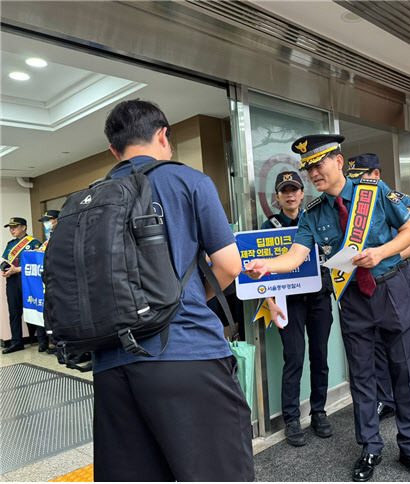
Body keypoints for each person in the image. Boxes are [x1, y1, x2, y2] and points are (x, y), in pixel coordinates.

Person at [245, 135, 410, 482]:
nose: (313, 173)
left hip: (391, 287)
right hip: (351, 298)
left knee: (404, 370)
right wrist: (266, 265)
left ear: (338, 161)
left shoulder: (374, 192)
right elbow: (296, 255)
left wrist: (380, 252)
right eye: (308, 168)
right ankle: (370, 448)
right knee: (362, 376)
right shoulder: (313, 213)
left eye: (318, 164)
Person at [93, 99, 254, 481]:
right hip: (186, 353)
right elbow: (230, 265)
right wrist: (188, 298)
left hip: (111, 366)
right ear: (163, 136)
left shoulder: (92, 197)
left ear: (114, 151)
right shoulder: (188, 180)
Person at [346, 153, 410, 429]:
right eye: (353, 177)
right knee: (379, 350)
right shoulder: (351, 207)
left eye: (362, 175)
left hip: (398, 275)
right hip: (366, 281)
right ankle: (387, 399)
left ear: (376, 175)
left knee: (408, 348)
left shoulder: (398, 200)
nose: (357, 181)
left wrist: (385, 257)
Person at [260, 170, 334, 447]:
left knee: (320, 357)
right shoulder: (268, 227)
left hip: (318, 298)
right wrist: (269, 301)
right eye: (284, 191)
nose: (290, 195)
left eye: (295, 189)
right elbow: (262, 273)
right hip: (286, 302)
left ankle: (319, 412)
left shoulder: (316, 219)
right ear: (278, 197)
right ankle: (292, 418)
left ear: (303, 194)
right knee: (294, 359)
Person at [2, 217, 41, 354]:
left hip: (28, 280)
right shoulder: (10, 244)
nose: (12, 230)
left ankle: (42, 342)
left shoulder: (34, 243)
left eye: (15, 227)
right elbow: (6, 260)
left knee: (34, 309)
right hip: (12, 281)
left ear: (24, 227)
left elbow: (37, 264)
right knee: (14, 312)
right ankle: (16, 342)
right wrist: (5, 271)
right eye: (10, 228)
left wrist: (17, 270)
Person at [37, 210, 60, 354]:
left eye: (49, 220)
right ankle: (57, 344)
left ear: (57, 220)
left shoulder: (63, 236)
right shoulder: (49, 239)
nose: (47, 224)